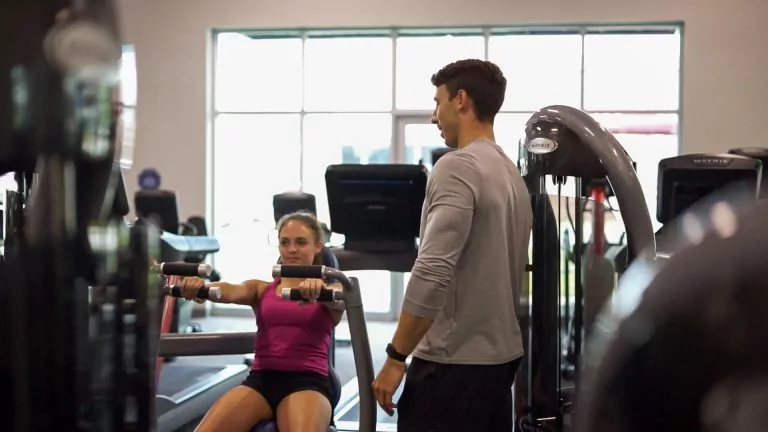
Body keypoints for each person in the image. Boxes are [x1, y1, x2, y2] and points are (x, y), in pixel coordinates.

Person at [372, 59, 534, 431]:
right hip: (498, 361)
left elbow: (432, 270)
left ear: (460, 100)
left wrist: (396, 357)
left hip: (453, 363)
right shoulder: (511, 173)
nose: (434, 116)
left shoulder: (457, 166)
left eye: (437, 102)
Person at [177, 211, 344, 432]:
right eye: (285, 242)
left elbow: (340, 301)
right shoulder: (262, 289)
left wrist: (319, 289)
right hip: (261, 381)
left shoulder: (331, 290)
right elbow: (230, 291)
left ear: (318, 246)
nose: (292, 249)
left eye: (301, 242)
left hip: (308, 382)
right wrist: (202, 288)